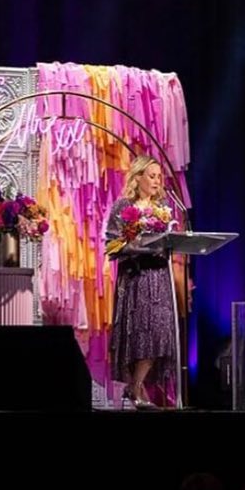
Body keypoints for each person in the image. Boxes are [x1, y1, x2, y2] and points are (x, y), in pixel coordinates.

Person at [105, 155, 179, 408]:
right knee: (137, 332)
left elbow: (171, 238)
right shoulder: (123, 207)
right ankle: (135, 387)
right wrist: (137, 246)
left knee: (158, 332)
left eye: (159, 176)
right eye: (152, 176)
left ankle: (138, 386)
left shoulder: (165, 207)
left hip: (158, 280)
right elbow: (111, 245)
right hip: (136, 280)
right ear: (138, 178)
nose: (157, 181)